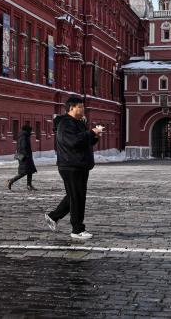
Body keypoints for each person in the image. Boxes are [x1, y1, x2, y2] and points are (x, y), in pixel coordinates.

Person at [44, 97, 103, 240]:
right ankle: (77, 230)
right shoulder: (66, 123)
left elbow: (83, 142)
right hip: (71, 165)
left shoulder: (77, 122)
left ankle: (53, 216)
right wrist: (90, 133)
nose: (83, 110)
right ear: (71, 108)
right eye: (80, 107)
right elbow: (73, 141)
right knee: (77, 197)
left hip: (79, 164)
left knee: (74, 195)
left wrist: (95, 136)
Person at [6, 124, 38, 191]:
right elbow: (23, 147)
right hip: (24, 156)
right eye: (30, 131)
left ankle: (29, 185)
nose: (31, 132)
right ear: (28, 130)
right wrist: (26, 155)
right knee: (23, 172)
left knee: (30, 171)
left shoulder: (22, 136)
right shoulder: (24, 137)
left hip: (23, 156)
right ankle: (11, 181)